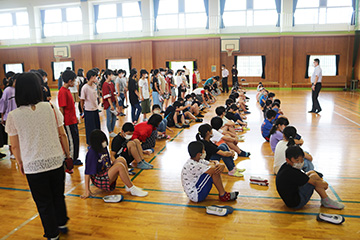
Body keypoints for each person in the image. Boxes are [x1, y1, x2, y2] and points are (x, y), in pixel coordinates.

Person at [6, 72, 71, 240]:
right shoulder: (50, 107)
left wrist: (20, 162)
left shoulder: (14, 116)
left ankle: (52, 234)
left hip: (33, 165)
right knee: (58, 194)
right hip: (56, 160)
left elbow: (14, 145)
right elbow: (62, 134)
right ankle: (62, 222)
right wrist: (68, 154)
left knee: (43, 202)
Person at [81, 130, 148, 199]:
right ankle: (132, 188)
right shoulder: (92, 153)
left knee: (121, 159)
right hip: (99, 178)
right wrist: (87, 190)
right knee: (119, 166)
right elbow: (87, 173)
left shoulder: (103, 148)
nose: (104, 142)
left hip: (106, 172)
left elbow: (107, 162)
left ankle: (128, 185)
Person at [276, 145, 344, 210]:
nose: (300, 162)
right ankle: (326, 201)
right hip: (296, 203)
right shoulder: (293, 172)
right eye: (297, 160)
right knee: (314, 179)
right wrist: (324, 184)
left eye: (302, 160)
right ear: (288, 160)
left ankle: (325, 199)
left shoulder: (286, 166)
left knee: (312, 173)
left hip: (291, 198)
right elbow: (315, 183)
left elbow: (305, 177)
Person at [58, 70, 82, 165]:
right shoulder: (62, 92)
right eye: (74, 81)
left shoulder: (68, 90)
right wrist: (62, 123)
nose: (75, 82)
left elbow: (71, 107)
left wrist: (75, 117)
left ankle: (75, 157)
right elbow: (61, 109)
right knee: (71, 141)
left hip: (72, 120)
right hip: (67, 122)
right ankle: (71, 159)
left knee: (76, 139)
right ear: (69, 81)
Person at [80, 69, 101, 146]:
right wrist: (83, 111)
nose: (97, 78)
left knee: (97, 127)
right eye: (96, 77)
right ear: (92, 77)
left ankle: (97, 142)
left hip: (95, 109)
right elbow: (82, 100)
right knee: (90, 129)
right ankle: (90, 144)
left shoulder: (95, 86)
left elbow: (96, 97)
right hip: (88, 111)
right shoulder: (85, 87)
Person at [0, 74, 18, 159]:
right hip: (9, 116)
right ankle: (12, 153)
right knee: (11, 136)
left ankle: (17, 151)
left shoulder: (18, 90)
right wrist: (2, 116)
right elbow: (3, 103)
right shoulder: (7, 90)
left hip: (18, 116)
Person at [102, 69, 120, 138]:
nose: (112, 76)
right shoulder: (105, 84)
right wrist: (111, 105)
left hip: (113, 102)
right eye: (111, 75)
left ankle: (112, 130)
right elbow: (107, 96)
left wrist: (117, 103)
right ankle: (110, 131)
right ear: (108, 75)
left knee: (114, 117)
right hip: (109, 104)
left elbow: (114, 94)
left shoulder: (112, 83)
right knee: (109, 118)